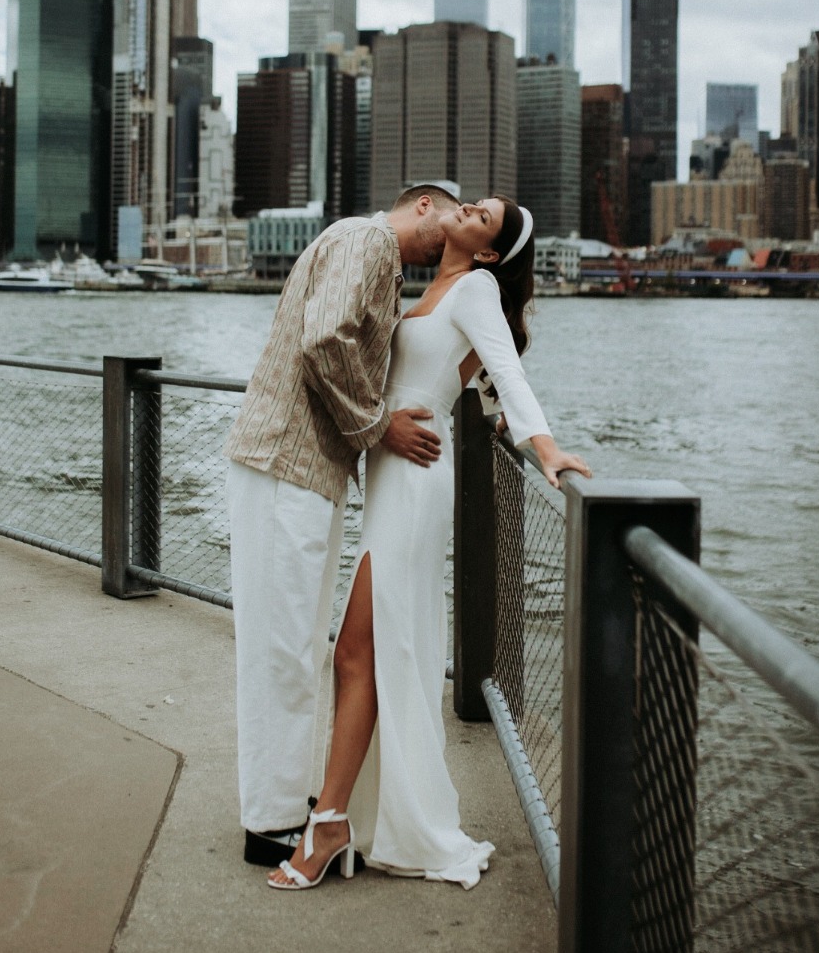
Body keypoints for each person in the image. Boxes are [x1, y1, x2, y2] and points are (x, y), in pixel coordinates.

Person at [267, 196, 592, 891]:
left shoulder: (473, 288)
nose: (469, 208)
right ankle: (343, 814)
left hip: (414, 482)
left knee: (359, 649)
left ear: (487, 253)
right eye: (473, 203)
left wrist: (547, 446)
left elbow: (507, 368)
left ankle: (330, 823)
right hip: (392, 473)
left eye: (483, 216)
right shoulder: (429, 286)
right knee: (369, 652)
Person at [224, 184, 463, 868]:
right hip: (284, 466)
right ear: (424, 205)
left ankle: (281, 801)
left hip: (304, 470)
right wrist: (377, 426)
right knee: (283, 648)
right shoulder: (369, 242)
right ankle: (269, 824)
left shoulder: (375, 256)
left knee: (295, 642)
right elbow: (323, 338)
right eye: (449, 221)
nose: (449, 241)